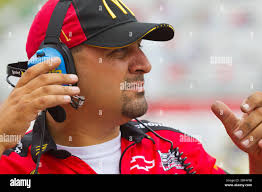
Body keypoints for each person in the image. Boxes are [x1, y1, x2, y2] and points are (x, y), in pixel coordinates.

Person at [1, 0, 262, 174]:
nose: (145, 65)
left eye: (140, 48)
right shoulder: (10, 164)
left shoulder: (178, 149)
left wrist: (258, 160)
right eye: (119, 51)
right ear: (54, 67)